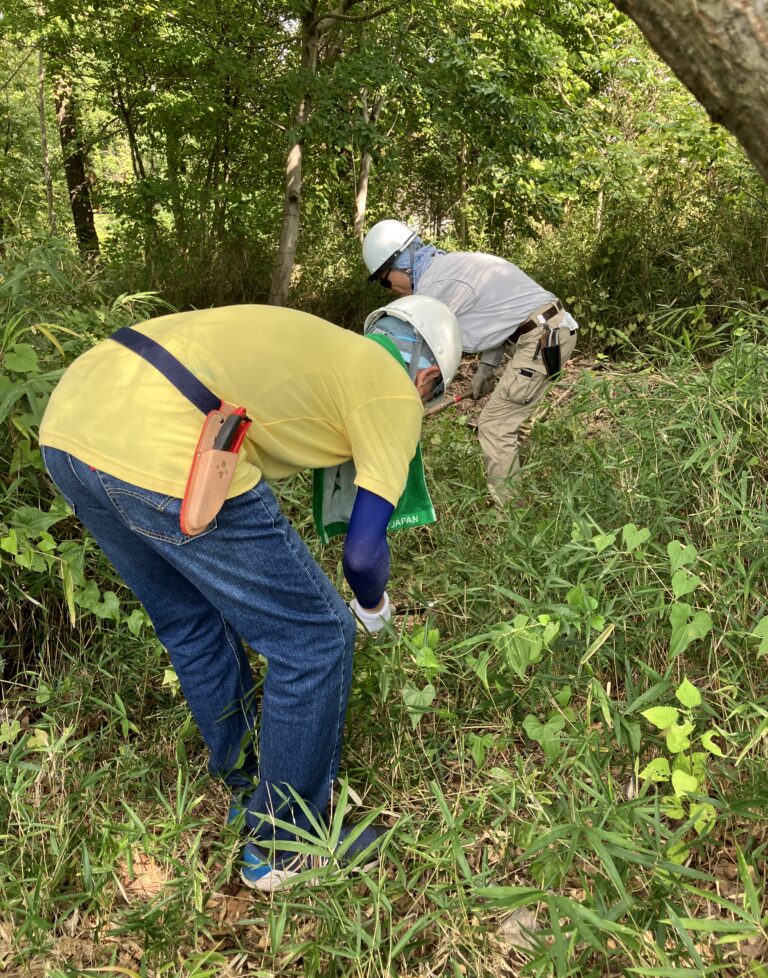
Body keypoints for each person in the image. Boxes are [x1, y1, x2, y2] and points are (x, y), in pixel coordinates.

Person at [38, 298, 462, 891]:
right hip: (167, 439)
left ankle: (245, 783)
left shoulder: (332, 349)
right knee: (315, 639)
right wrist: (376, 610)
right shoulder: (394, 391)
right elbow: (363, 555)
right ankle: (285, 844)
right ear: (428, 375)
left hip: (71, 424)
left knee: (191, 621)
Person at [362, 219, 579, 502]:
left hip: (542, 338)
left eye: (385, 280)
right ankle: (520, 487)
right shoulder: (447, 267)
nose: (390, 288)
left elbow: (421, 347)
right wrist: (487, 368)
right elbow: (499, 315)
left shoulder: (435, 286)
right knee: (508, 417)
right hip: (547, 330)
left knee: (495, 426)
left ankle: (511, 513)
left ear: (402, 264)